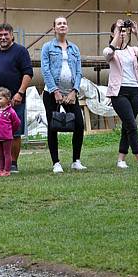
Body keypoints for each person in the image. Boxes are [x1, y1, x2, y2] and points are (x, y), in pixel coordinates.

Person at [0, 23, 34, 173]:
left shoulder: (20, 51)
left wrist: (20, 93)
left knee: (14, 133)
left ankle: (13, 163)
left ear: (12, 35)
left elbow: (28, 73)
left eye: (6, 34)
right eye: (0, 35)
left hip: (14, 100)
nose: (3, 37)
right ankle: (1, 163)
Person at [103, 20, 138, 169]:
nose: (123, 33)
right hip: (119, 92)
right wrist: (117, 35)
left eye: (125, 31)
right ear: (113, 33)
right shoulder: (110, 50)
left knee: (127, 125)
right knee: (132, 125)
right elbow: (108, 54)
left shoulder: (132, 50)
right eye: (120, 31)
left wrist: (137, 33)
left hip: (135, 90)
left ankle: (121, 159)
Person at [40, 16, 87, 174]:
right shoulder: (48, 47)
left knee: (79, 125)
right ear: (54, 28)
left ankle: (76, 160)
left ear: (68, 27)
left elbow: (79, 71)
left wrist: (74, 91)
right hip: (51, 93)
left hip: (70, 94)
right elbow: (45, 70)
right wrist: (55, 91)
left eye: (64, 23)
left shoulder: (74, 48)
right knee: (53, 127)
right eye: (59, 23)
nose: (62, 26)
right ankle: (56, 162)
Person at [0, 87, 20, 177]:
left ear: (7, 99)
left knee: (7, 153)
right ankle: (1, 169)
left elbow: (17, 123)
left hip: (7, 137)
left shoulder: (11, 112)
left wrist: (10, 130)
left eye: (0, 98)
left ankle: (7, 170)